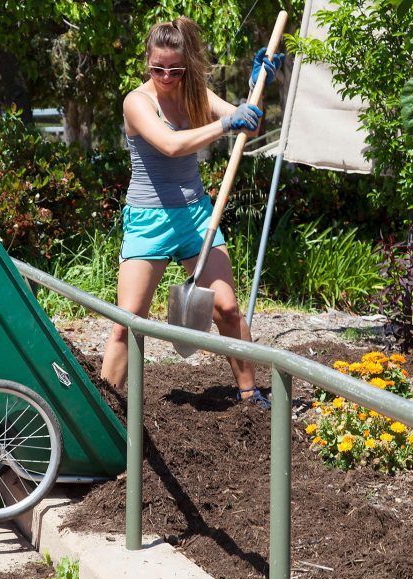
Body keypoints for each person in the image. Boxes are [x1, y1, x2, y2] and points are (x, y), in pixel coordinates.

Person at [100, 17, 283, 408]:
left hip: (197, 218)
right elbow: (169, 144)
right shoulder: (137, 101)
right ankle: (102, 410)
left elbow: (247, 122)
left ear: (186, 66)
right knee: (126, 324)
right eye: (158, 67)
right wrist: (225, 124)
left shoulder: (195, 93)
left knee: (227, 308)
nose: (166, 76)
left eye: (175, 69)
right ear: (147, 62)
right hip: (148, 221)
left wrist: (256, 92)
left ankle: (250, 395)